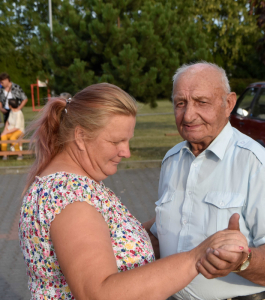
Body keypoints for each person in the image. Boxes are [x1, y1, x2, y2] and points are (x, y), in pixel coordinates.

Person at [19, 83, 249, 300]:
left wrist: (164, 224)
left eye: (127, 141)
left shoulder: (63, 186)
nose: (126, 152)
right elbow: (99, 293)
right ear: (80, 137)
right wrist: (195, 258)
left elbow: (103, 241)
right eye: (116, 141)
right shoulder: (71, 199)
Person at [149, 62, 265, 300]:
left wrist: (242, 261)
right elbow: (164, 231)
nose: (188, 115)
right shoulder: (172, 160)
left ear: (228, 104)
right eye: (180, 103)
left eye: (201, 102)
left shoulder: (257, 164)